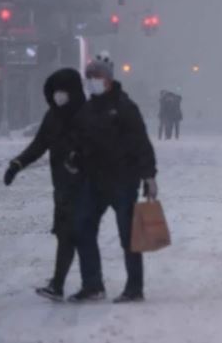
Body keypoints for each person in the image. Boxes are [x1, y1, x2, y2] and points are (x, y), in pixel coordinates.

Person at [70, 56, 158, 304]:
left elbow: (141, 143)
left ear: (108, 80)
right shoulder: (87, 110)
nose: (92, 82)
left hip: (123, 181)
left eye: (96, 77)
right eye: (89, 77)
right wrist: (75, 158)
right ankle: (92, 284)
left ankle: (134, 287)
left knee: (128, 236)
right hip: (93, 181)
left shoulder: (124, 107)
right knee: (83, 229)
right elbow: (79, 142)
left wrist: (149, 175)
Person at [3, 68, 86, 301]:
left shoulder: (86, 115)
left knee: (70, 235)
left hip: (83, 186)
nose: (59, 96)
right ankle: (80, 283)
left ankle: (62, 284)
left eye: (63, 91)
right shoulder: (53, 116)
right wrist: (17, 164)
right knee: (67, 235)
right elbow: (39, 144)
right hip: (61, 186)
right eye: (56, 91)